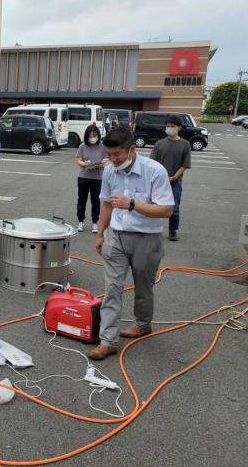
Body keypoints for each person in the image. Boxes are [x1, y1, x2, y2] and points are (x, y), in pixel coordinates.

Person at [89, 128, 174, 361]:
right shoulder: (109, 172)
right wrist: (100, 234)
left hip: (147, 238)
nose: (113, 159)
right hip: (116, 237)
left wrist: (132, 204)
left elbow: (166, 210)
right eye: (109, 154)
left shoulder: (154, 171)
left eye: (117, 154)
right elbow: (106, 204)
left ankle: (143, 325)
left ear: (131, 149)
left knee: (143, 288)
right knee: (112, 289)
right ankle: (108, 341)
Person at [150, 115, 191, 241]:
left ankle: (173, 231)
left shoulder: (185, 144)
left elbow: (185, 165)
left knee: (174, 208)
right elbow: (152, 163)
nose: (169, 128)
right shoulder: (159, 143)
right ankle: (151, 229)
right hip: (158, 182)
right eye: (167, 126)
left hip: (175, 182)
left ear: (179, 127)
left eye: (172, 126)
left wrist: (173, 177)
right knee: (153, 205)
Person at [75, 124, 106, 233]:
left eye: (95, 135)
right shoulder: (83, 146)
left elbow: (108, 161)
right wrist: (83, 163)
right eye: (91, 136)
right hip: (84, 176)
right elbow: (78, 159)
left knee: (96, 201)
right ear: (87, 136)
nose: (93, 138)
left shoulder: (102, 146)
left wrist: (103, 164)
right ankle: (80, 221)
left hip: (97, 177)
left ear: (98, 135)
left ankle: (94, 222)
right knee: (82, 200)